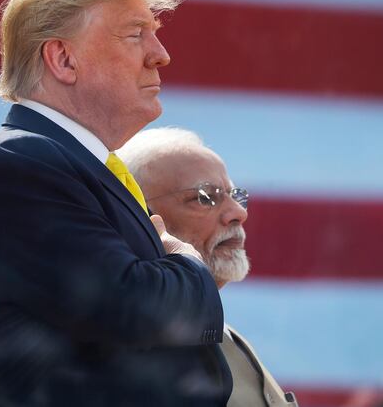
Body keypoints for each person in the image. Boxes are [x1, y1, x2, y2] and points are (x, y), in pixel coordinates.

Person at [0, 0, 230, 407]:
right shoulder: (21, 162)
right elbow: (137, 311)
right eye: (135, 34)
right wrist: (190, 263)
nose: (160, 54)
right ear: (63, 59)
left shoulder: (69, 164)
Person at [119, 127, 298, 407]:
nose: (239, 213)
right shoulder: (119, 349)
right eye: (205, 197)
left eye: (234, 194)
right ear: (139, 218)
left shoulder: (228, 336)